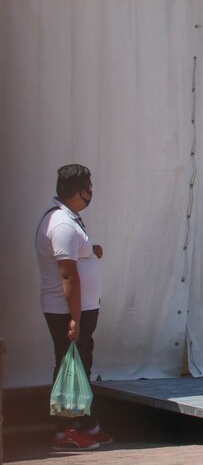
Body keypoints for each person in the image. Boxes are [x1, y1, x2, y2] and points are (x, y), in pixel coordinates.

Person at [35, 164, 112, 450]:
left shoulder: (71, 219)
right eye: (89, 187)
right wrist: (75, 319)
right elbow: (68, 275)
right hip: (68, 312)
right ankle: (63, 430)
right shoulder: (62, 224)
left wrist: (93, 252)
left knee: (82, 367)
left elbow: (77, 257)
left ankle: (85, 423)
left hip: (81, 310)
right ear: (80, 191)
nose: (91, 192)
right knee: (68, 369)